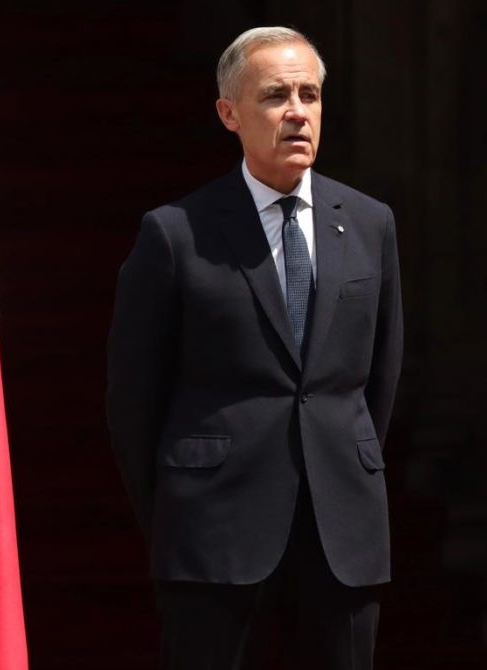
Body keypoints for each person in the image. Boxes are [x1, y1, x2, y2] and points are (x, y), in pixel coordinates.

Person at [106, 26, 403, 670]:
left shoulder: (370, 223)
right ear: (229, 113)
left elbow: (379, 379)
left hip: (341, 527)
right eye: (275, 95)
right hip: (213, 528)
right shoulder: (176, 233)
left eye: (309, 94)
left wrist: (341, 461)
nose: (297, 112)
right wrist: (178, 511)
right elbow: (133, 398)